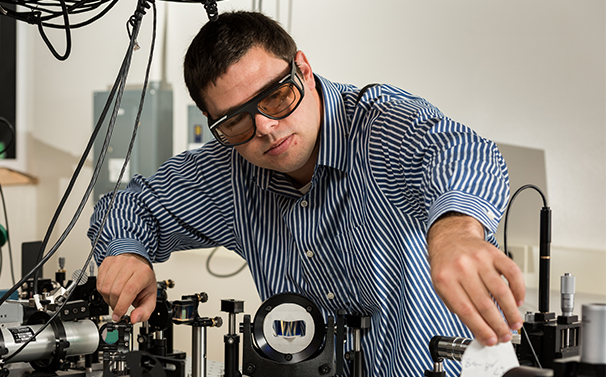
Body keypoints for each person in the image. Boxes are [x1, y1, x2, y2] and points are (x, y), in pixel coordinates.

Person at [89, 10, 525, 376]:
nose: (265, 128)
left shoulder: (378, 125)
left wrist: (455, 233)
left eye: (276, 97)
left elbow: (462, 151)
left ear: (303, 67)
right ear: (211, 121)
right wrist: (128, 252)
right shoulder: (230, 167)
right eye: (235, 121)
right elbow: (126, 206)